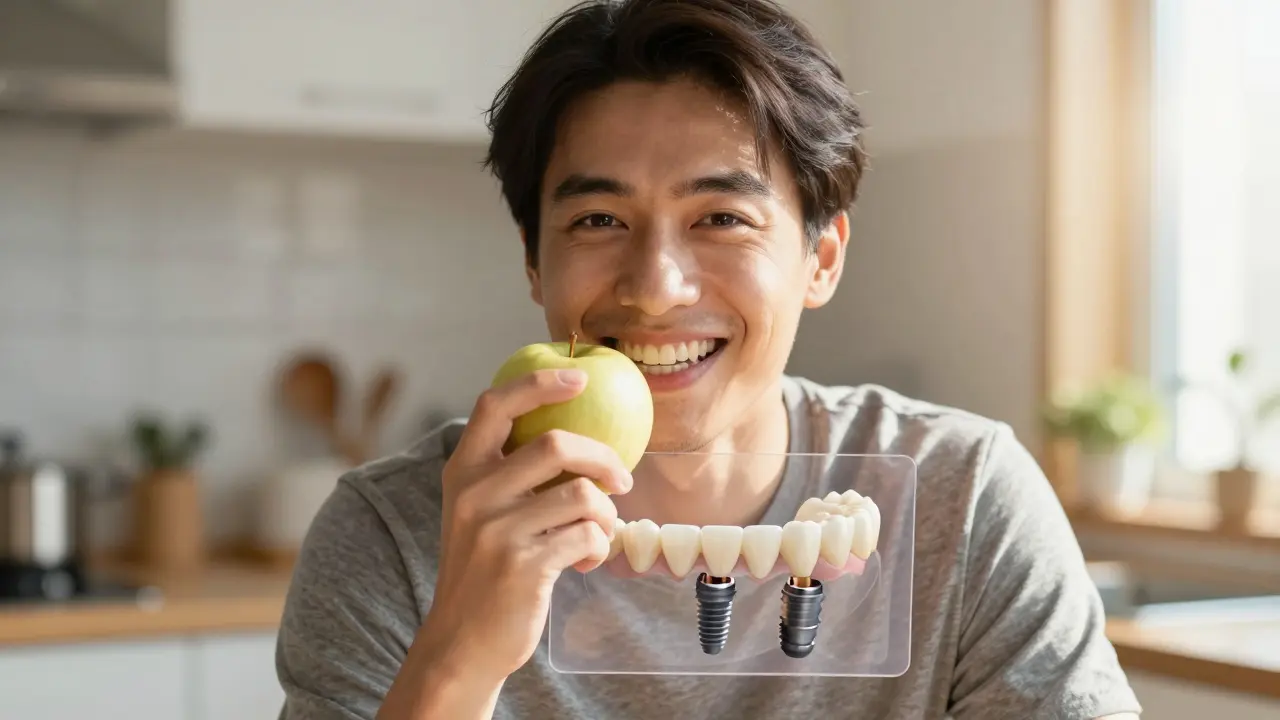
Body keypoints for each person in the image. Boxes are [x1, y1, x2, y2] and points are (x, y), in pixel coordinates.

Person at [275, 1, 1143, 717]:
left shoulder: (963, 499)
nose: (654, 288)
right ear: (534, 260)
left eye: (721, 218)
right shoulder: (395, 535)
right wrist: (458, 659)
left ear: (822, 259)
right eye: (598, 221)